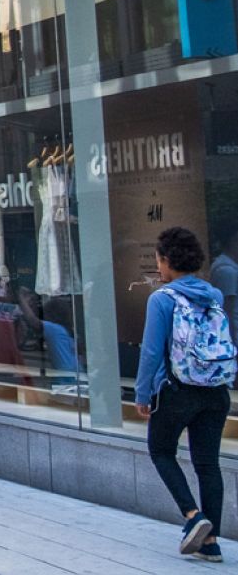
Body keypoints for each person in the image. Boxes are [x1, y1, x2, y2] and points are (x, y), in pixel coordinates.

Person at [138, 226, 233, 560]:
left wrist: (143, 394)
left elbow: (151, 353)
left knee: (161, 450)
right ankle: (211, 544)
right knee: (208, 464)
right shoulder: (214, 295)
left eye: (158, 260)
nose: (158, 267)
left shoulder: (161, 299)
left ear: (166, 261)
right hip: (216, 390)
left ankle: (194, 516)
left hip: (177, 391)